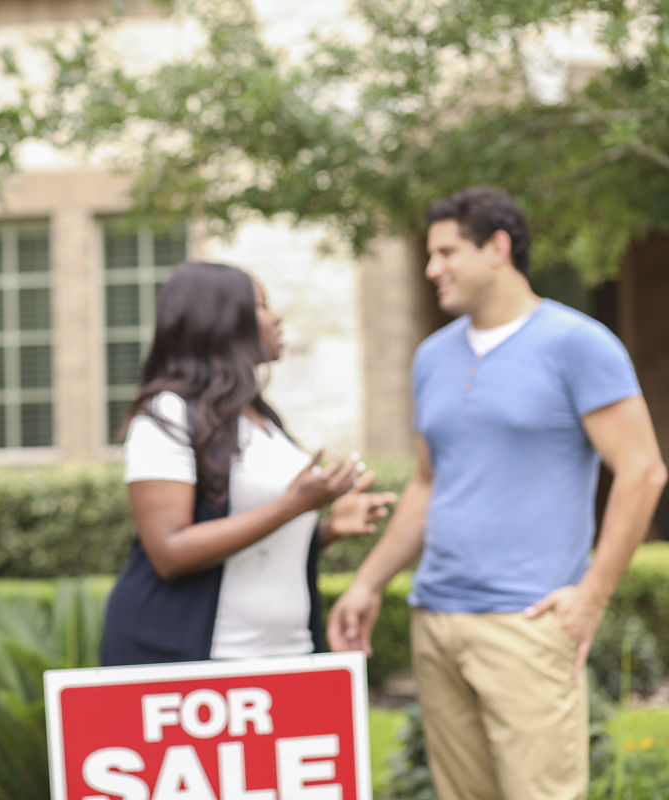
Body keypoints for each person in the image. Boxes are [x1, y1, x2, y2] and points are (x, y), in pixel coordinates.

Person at [327, 187, 667, 800]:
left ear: (498, 248)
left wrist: (592, 596)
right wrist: (368, 583)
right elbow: (428, 483)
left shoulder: (578, 344)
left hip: (526, 623)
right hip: (437, 619)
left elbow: (643, 470)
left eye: (446, 252)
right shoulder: (431, 357)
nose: (432, 268)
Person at [101, 261, 396, 666]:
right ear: (218, 319)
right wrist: (294, 505)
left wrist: (326, 529)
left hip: (285, 651)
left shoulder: (261, 417)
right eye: (260, 305)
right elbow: (169, 551)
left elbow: (257, 539)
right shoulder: (166, 414)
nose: (276, 318)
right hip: (199, 656)